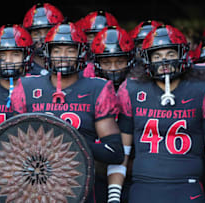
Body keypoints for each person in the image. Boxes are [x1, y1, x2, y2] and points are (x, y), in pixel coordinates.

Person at [109, 24, 205, 203]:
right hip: (143, 188)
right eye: (157, 56)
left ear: (183, 55)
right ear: (147, 59)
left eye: (171, 54)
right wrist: (114, 195)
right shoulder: (130, 89)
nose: (164, 62)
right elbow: (121, 151)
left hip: (187, 187)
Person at [11, 22, 124, 202]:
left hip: (80, 187)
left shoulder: (97, 88)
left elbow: (114, 152)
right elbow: (11, 146)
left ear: (80, 52)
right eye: (56, 51)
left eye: (69, 50)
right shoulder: (26, 87)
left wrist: (69, 140)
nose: (62, 56)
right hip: (34, 188)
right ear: (47, 53)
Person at [84, 26, 135, 90]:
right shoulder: (88, 88)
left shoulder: (141, 87)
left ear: (130, 60)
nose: (113, 68)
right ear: (97, 63)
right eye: (106, 63)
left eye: (120, 62)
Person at [22, 2, 64, 76]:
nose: (43, 38)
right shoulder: (22, 68)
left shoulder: (72, 64)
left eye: (49, 32)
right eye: (36, 33)